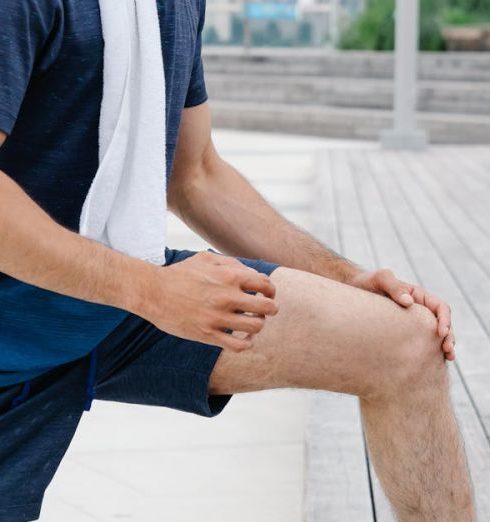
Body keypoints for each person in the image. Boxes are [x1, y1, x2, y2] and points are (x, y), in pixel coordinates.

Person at [0, 0, 475, 521]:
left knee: (403, 343)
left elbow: (197, 174)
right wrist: (151, 291)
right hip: (21, 324)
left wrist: (346, 277)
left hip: (116, 304)